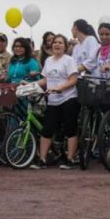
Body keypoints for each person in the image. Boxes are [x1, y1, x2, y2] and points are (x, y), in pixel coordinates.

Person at [32, 35, 80, 169]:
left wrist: (60, 88)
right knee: (47, 130)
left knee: (70, 129)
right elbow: (45, 80)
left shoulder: (69, 60)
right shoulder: (48, 60)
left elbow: (73, 80)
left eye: (60, 43)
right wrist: (31, 85)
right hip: (52, 100)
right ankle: (42, 159)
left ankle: (70, 159)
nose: (57, 45)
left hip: (68, 98)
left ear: (65, 46)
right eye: (55, 43)